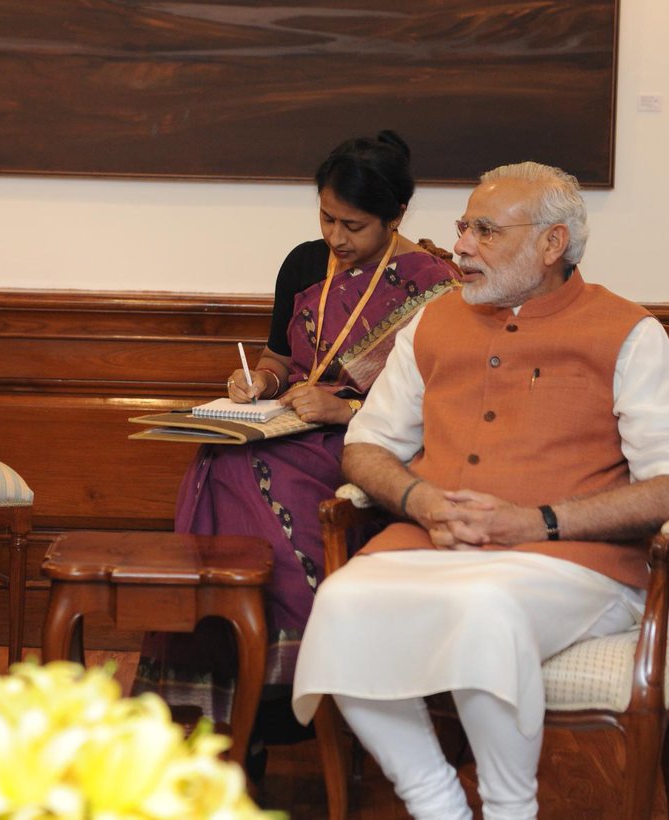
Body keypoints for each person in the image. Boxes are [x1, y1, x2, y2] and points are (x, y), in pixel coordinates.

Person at [292, 161, 669, 819]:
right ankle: (438, 803)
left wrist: (537, 523)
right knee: (341, 603)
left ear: (551, 245)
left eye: (485, 231)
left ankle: (511, 808)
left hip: (571, 565)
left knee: (485, 605)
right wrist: (421, 501)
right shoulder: (431, 325)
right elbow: (365, 447)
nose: (460, 246)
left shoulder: (630, 333)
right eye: (464, 226)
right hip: (431, 544)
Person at [133, 131, 459, 763]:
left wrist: (344, 407)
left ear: (396, 218)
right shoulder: (305, 263)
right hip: (287, 423)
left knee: (253, 465)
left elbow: (436, 407)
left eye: (354, 225)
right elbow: (279, 355)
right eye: (326, 217)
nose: (336, 238)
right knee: (219, 455)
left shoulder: (432, 286)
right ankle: (233, 682)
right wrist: (261, 381)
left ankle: (286, 686)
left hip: (372, 438)